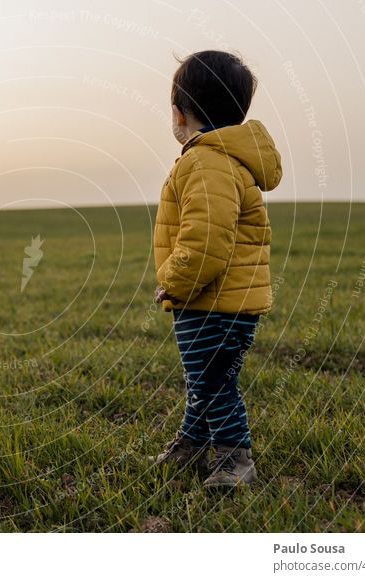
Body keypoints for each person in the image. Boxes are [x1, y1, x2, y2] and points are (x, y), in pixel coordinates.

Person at [150, 50, 282, 488]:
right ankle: (191, 444)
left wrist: (172, 279)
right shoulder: (223, 159)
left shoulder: (206, 162)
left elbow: (206, 239)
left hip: (212, 300)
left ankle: (235, 460)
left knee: (214, 382)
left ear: (178, 113)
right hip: (222, 300)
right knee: (204, 378)